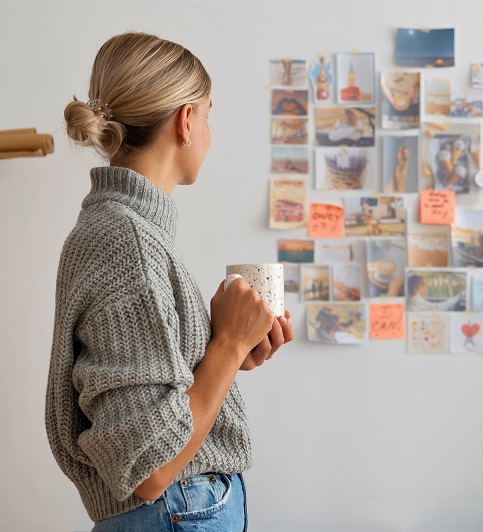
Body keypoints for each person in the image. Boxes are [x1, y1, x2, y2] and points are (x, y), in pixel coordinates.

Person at [45, 32, 294, 531]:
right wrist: (224, 343)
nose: (208, 130)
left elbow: (152, 406)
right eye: (207, 113)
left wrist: (221, 350)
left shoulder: (123, 231)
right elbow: (152, 467)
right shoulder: (127, 241)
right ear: (185, 120)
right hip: (176, 510)